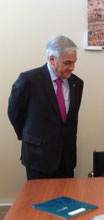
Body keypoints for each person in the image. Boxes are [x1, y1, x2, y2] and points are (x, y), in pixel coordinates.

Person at [8, 35, 84, 180]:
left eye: (74, 62)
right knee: (39, 201)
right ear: (52, 59)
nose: (72, 68)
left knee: (67, 200)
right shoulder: (28, 80)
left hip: (66, 158)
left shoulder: (77, 83)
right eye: (67, 63)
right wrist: (26, 136)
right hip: (38, 158)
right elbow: (14, 113)